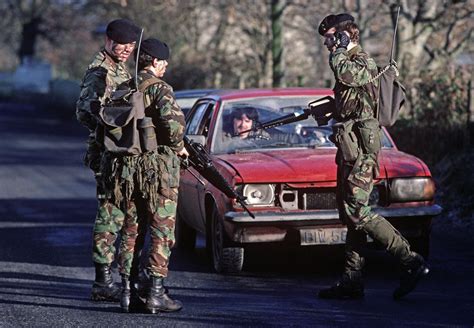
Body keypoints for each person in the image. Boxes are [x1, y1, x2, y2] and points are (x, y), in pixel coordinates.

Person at [317, 13, 429, 300]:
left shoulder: (360, 61)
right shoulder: (350, 61)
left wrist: (341, 48)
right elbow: (355, 103)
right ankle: (351, 280)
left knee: (358, 210)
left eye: (331, 37)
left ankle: (410, 260)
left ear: (345, 35)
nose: (327, 44)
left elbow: (347, 73)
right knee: (350, 215)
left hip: (363, 155)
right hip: (349, 151)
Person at [116, 38, 188, 314]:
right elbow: (174, 130)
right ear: (155, 62)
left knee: (132, 229)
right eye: (164, 61)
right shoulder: (160, 88)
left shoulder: (124, 87)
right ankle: (156, 292)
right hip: (158, 170)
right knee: (161, 229)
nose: (166, 65)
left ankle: (127, 291)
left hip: (128, 169)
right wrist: (180, 148)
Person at [76, 18, 142, 302]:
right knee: (110, 214)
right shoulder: (100, 72)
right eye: (121, 44)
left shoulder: (118, 68)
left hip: (120, 153)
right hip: (108, 155)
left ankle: (125, 278)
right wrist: (116, 129)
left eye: (130, 45)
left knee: (127, 215)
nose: (126, 49)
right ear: (108, 41)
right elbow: (85, 111)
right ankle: (103, 281)